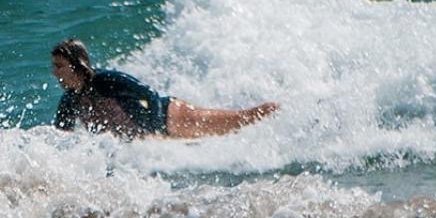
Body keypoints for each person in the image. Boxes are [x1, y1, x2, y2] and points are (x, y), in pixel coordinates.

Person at [51, 38, 278, 139]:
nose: (55, 72)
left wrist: (155, 129)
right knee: (221, 135)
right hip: (152, 137)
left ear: (76, 65)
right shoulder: (70, 102)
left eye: (60, 66)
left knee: (240, 120)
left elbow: (148, 95)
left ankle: (274, 112)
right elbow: (62, 137)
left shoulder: (106, 81)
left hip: (171, 117)